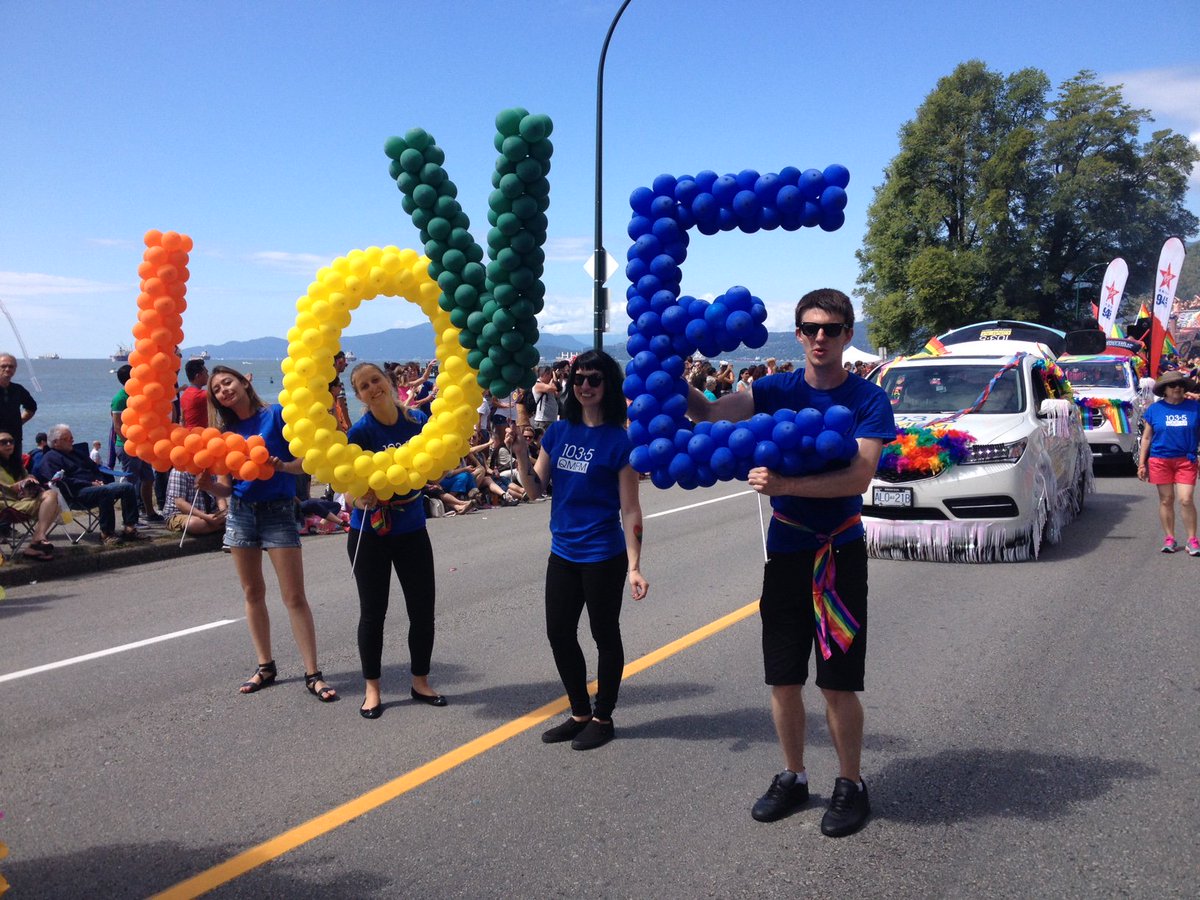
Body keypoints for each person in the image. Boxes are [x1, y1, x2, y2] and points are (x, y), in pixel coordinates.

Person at [686, 288, 895, 838]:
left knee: (837, 682)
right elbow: (707, 412)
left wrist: (784, 484)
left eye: (831, 329)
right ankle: (794, 775)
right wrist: (665, 372)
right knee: (782, 677)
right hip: (786, 551)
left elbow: (858, 476)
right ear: (798, 334)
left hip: (840, 553)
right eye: (810, 328)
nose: (820, 338)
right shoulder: (775, 389)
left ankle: (850, 783)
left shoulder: (868, 400)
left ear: (848, 334)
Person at [512, 350, 648, 752]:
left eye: (594, 379)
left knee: (604, 634)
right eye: (579, 379)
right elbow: (536, 490)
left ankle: (603, 717)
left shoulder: (620, 441)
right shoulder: (557, 432)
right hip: (563, 552)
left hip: (603, 555)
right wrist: (520, 454)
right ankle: (579, 713)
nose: (585, 386)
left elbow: (631, 507)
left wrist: (635, 566)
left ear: (608, 386)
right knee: (559, 633)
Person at [197, 365, 338, 703]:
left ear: (246, 382)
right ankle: (265, 666)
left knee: (294, 596)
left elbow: (305, 462)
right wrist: (208, 485)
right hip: (242, 513)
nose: (224, 391)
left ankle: (312, 673)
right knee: (252, 593)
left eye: (228, 382)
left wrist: (281, 466)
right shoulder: (224, 431)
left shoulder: (276, 415)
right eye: (217, 389)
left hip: (278, 510)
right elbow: (228, 487)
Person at [342, 362, 447, 719]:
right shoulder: (360, 433)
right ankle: (372, 689)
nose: (373, 388)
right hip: (369, 534)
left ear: (389, 382)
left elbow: (435, 467)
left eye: (376, 380)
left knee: (423, 611)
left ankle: (421, 681)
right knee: (373, 613)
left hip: (412, 529)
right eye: (364, 386)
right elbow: (348, 492)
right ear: (359, 396)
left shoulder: (416, 423)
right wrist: (362, 498)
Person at [35, 423, 141, 544]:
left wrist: (99, 480)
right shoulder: (50, 458)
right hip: (74, 493)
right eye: (67, 439)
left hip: (94, 487)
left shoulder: (77, 453)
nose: (72, 440)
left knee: (127, 487)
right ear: (55, 442)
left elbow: (95, 468)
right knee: (105, 491)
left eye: (71, 437)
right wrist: (89, 483)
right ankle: (106, 534)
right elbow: (59, 480)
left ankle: (129, 528)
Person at [1138, 370, 1200, 555]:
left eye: (1181, 385)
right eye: (1173, 385)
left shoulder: (1194, 407)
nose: (1178, 388)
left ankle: (1192, 540)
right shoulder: (1155, 410)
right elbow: (1147, 438)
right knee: (1166, 500)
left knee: (1186, 499)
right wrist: (1142, 464)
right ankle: (1170, 538)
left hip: (1186, 459)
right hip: (1160, 460)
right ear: (1165, 389)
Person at [111, 364, 162, 523]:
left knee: (148, 478)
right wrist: (131, 443)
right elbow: (118, 426)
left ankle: (149, 512)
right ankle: (130, 518)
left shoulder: (138, 395)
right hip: (128, 447)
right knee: (130, 483)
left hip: (143, 446)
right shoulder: (120, 398)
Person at [0, 430, 60, 560]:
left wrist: (31, 481)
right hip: (5, 503)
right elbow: (6, 486)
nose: (8, 444)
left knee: (53, 496)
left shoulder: (16, 464)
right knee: (53, 501)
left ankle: (36, 540)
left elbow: (26, 479)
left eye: (11, 441)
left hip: (22, 500)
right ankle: (35, 543)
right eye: (3, 442)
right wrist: (17, 485)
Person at [164, 466, 227, 536]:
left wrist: (223, 513)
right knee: (194, 524)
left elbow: (219, 496)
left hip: (210, 513)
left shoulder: (210, 471)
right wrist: (206, 517)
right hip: (180, 514)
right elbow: (180, 503)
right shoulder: (179, 471)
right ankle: (220, 527)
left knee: (231, 517)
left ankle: (217, 526)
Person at [0, 353, 37, 462]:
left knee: (15, 472)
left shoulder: (18, 389)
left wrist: (19, 421)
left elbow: (31, 407)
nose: (7, 369)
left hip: (14, 440)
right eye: (3, 366)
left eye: (11, 366)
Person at [179, 358, 210, 428]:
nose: (208, 375)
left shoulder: (185, 394)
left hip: (188, 432)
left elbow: (182, 419)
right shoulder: (201, 395)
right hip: (198, 434)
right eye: (206, 373)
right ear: (198, 376)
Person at [531, 366, 560, 430]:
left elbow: (557, 394)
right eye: (550, 375)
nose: (551, 377)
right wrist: (554, 377)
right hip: (543, 420)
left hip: (551, 419)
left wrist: (559, 379)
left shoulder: (547, 385)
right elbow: (554, 388)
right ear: (545, 374)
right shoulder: (538, 384)